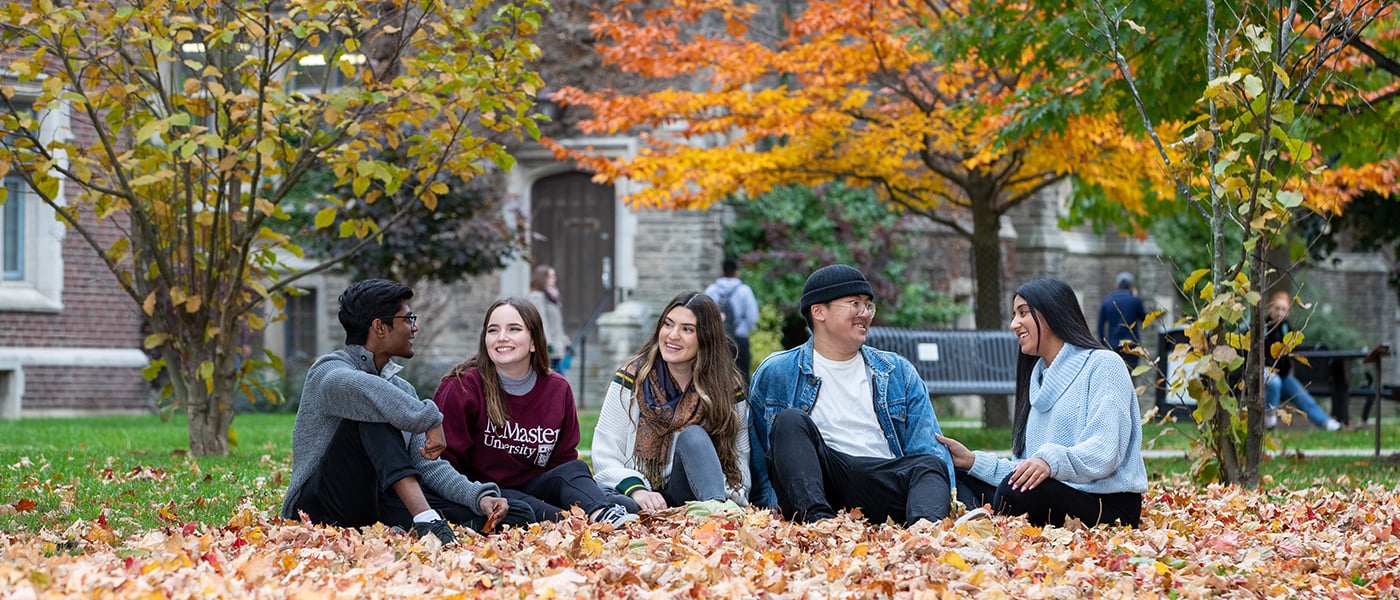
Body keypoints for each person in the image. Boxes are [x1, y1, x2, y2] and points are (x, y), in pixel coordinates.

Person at [280, 279, 534, 546]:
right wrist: (431, 418)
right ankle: (426, 518)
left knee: (516, 513)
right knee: (374, 414)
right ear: (380, 327)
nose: (415, 327)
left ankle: (425, 519)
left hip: (375, 503)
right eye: (408, 319)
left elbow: (428, 465)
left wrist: (479, 497)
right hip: (319, 507)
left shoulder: (401, 390)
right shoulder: (328, 371)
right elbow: (363, 387)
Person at [748, 264, 957, 526]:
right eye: (854, 303)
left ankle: (926, 533)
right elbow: (760, 457)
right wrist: (765, 512)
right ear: (818, 311)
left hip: (880, 482)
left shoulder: (896, 371)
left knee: (930, 464)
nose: (865, 313)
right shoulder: (778, 371)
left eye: (868, 305)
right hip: (817, 485)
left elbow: (927, 446)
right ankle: (821, 527)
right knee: (789, 422)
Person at [938, 278, 1148, 527]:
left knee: (1014, 491)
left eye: (1023, 313)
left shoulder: (1104, 365)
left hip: (1107, 504)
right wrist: (973, 461)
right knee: (956, 474)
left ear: (1052, 313)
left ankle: (988, 517)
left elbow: (1105, 451)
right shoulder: (1037, 379)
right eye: (1014, 315)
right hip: (1054, 493)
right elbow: (1025, 470)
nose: (1013, 325)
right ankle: (980, 518)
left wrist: (1049, 461)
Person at [432, 297, 639, 526]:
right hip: (488, 494)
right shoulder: (461, 387)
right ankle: (588, 519)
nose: (502, 337)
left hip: (536, 486)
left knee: (584, 474)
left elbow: (563, 462)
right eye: (493, 330)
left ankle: (602, 512)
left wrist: (573, 494)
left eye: (514, 329)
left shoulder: (557, 389)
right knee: (548, 515)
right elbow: (444, 462)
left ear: (534, 342)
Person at [592, 291, 751, 512]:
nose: (673, 335)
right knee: (622, 506)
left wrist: (721, 494)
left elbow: (739, 459)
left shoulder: (726, 386)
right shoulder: (632, 377)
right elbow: (605, 454)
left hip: (697, 496)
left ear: (706, 337)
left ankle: (716, 516)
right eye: (668, 324)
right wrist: (637, 490)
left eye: (687, 329)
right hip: (640, 496)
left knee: (694, 436)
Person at [1263, 291, 1343, 431]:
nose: (1280, 312)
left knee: (1302, 396)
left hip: (1283, 374)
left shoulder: (1287, 329)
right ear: (1270, 308)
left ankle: (1327, 423)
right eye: (1277, 308)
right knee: (1274, 382)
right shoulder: (1263, 328)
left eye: (1284, 309)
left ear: (1288, 312)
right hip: (1265, 371)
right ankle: (1269, 416)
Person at [703, 258, 759, 383]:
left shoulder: (711, 290)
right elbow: (752, 317)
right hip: (739, 339)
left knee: (715, 377)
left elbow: (704, 315)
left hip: (717, 339)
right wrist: (742, 331)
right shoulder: (744, 290)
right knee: (742, 377)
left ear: (722, 272)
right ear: (736, 272)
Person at [1097, 272, 1147, 368]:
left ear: (1116, 285)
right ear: (1131, 287)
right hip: (1132, 345)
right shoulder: (1135, 301)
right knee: (1132, 372)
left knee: (1115, 372)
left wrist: (1103, 344)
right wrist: (1136, 297)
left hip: (1114, 345)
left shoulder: (1107, 302)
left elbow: (1100, 326)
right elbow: (1144, 320)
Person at [528, 265, 571, 374]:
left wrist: (566, 342)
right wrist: (547, 343)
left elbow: (557, 324)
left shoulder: (553, 296)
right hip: (547, 349)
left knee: (559, 380)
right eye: (551, 276)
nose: (554, 279)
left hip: (557, 348)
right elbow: (540, 322)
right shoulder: (537, 297)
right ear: (542, 278)